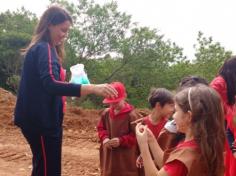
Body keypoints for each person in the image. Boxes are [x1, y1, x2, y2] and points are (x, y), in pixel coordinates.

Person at [14, 6, 117, 176]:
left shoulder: (46, 49)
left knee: (43, 166)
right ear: (50, 25)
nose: (64, 35)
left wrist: (71, 85)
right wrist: (93, 88)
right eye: (63, 30)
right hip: (41, 122)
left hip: (41, 119)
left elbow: (48, 84)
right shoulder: (44, 48)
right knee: (49, 170)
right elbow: (51, 84)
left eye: (67, 31)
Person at [136, 85, 225, 176]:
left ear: (188, 116)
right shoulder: (205, 144)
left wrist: (143, 146)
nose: (173, 116)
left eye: (176, 111)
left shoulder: (186, 154)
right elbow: (168, 165)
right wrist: (151, 140)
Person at [97, 81, 141, 176]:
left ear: (124, 97)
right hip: (109, 157)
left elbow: (138, 136)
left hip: (126, 159)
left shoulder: (132, 115)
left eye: (116, 102)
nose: (113, 105)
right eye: (110, 103)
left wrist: (121, 140)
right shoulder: (106, 114)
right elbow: (100, 128)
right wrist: (104, 139)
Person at [135, 88, 175, 169]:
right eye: (171, 106)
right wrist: (141, 155)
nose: (173, 110)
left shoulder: (169, 127)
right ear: (158, 105)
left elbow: (168, 153)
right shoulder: (142, 123)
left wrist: (152, 161)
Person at [210, 56, 236, 176]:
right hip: (220, 125)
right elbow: (210, 105)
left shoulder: (229, 82)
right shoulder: (219, 83)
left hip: (228, 124)